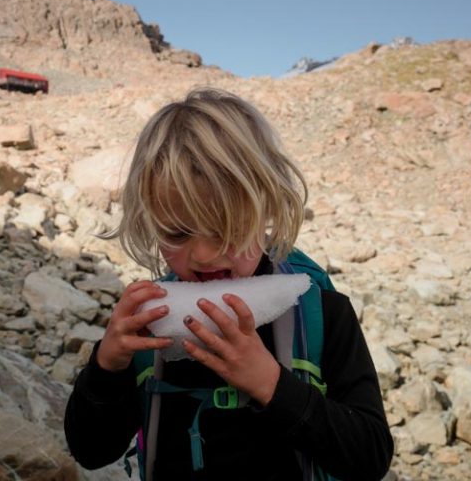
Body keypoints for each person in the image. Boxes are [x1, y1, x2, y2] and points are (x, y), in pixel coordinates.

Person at [63, 88, 393, 480]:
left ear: (267, 208)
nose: (203, 255)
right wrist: (107, 366)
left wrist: (272, 385)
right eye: (178, 233)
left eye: (226, 229)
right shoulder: (150, 326)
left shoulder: (322, 313)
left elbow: (371, 458)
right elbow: (91, 450)